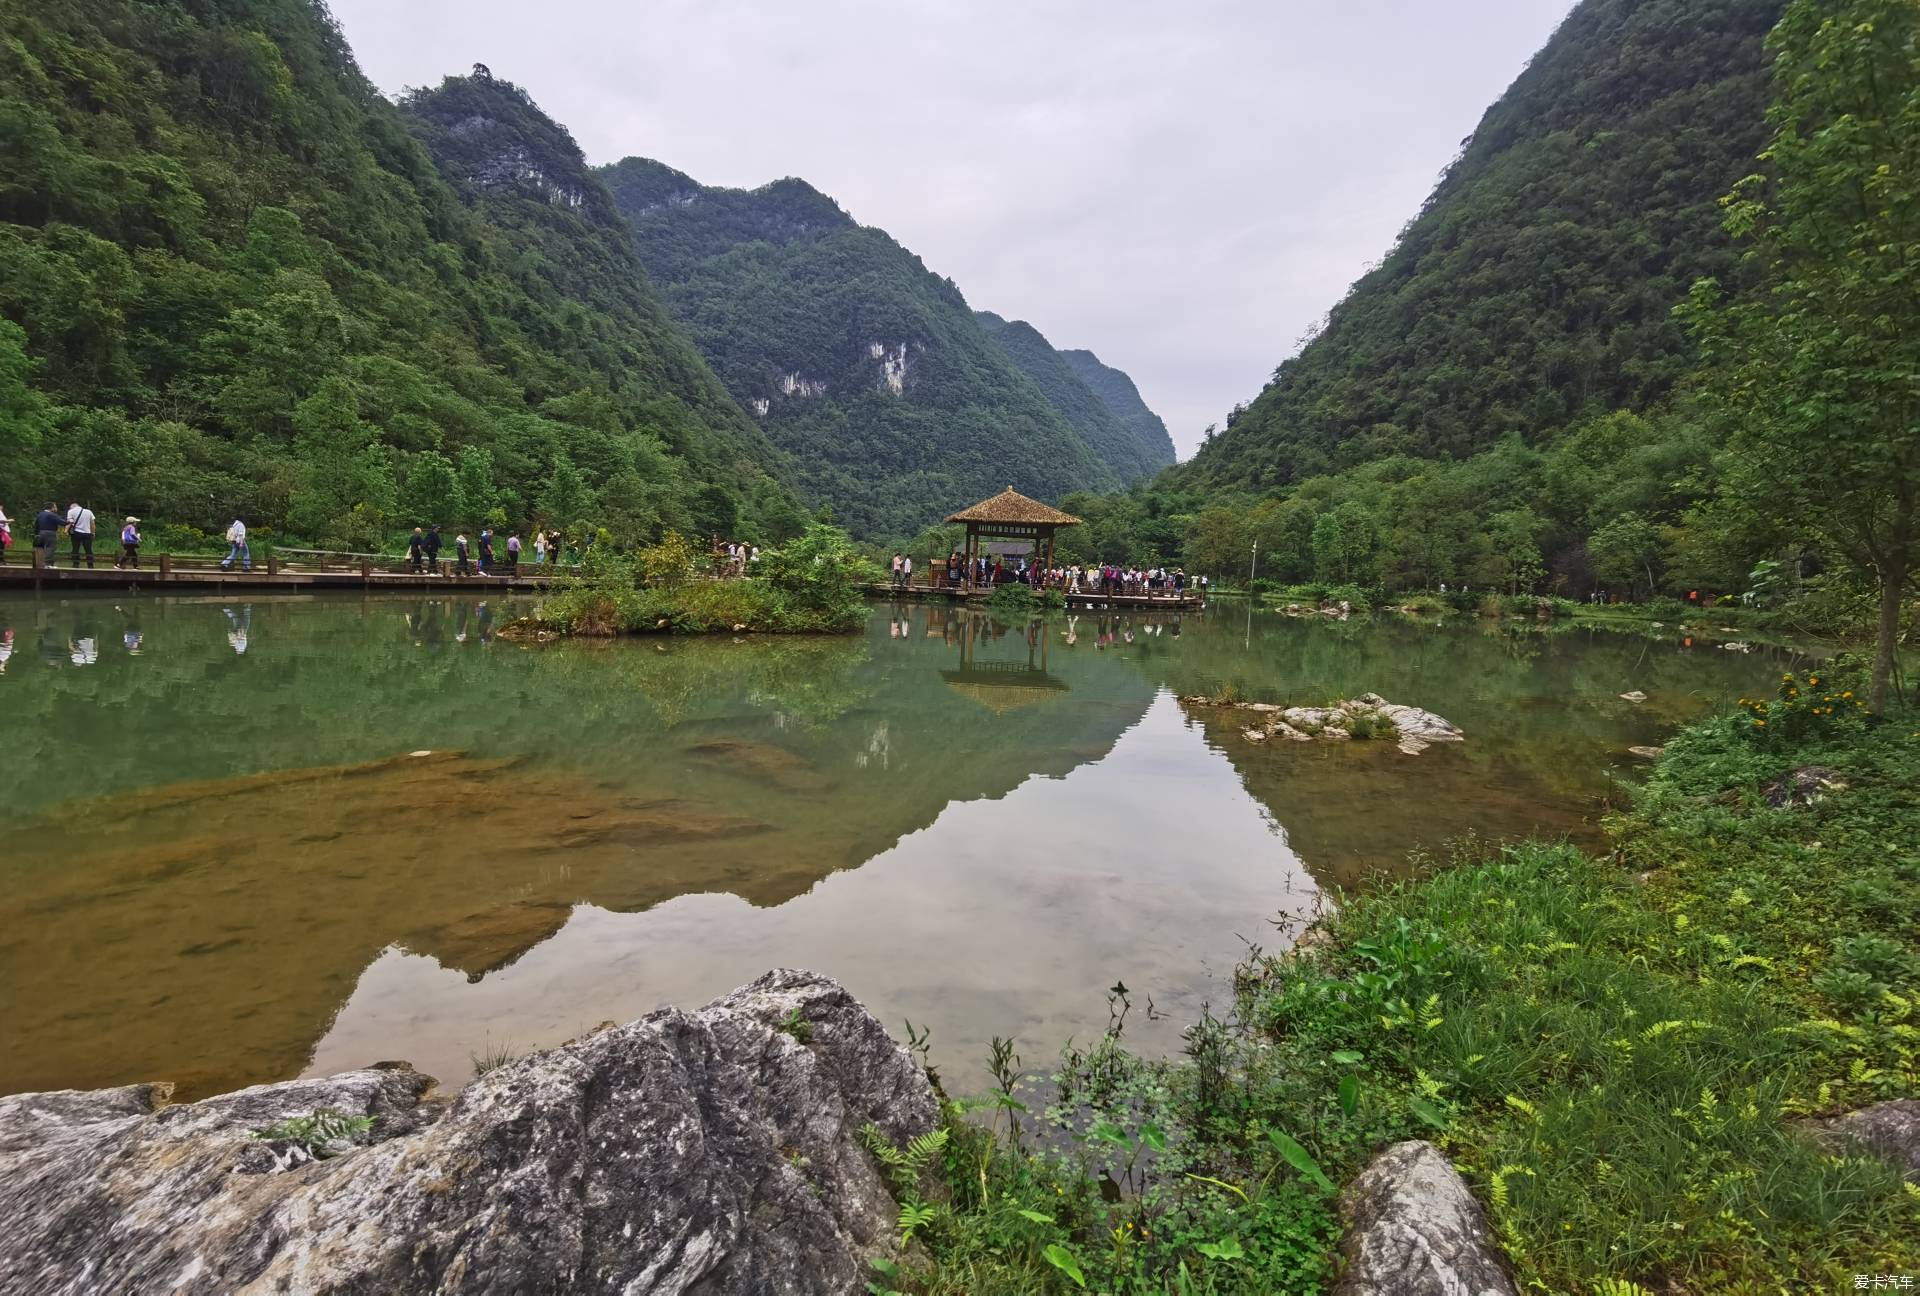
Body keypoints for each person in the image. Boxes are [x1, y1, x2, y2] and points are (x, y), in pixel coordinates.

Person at [67, 502, 96, 568]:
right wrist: (93, 533)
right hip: (87, 533)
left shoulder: (70, 511)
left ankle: (75, 565)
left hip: (76, 533)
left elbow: (70, 523)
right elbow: (92, 523)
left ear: (72, 507)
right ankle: (90, 565)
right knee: (88, 550)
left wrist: (66, 531)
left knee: (75, 549)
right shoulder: (89, 511)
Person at [34, 502, 61, 567]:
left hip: (41, 533)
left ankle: (39, 563)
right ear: (52, 508)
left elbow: (36, 524)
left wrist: (37, 533)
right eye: (55, 507)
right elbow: (61, 522)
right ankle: (48, 564)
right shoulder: (52, 515)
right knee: (50, 548)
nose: (56, 508)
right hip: (50, 533)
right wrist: (69, 522)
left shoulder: (40, 514)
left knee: (41, 548)